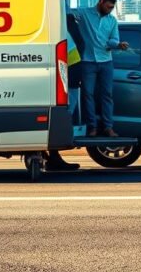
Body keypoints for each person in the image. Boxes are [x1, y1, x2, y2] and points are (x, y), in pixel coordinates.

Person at [75, 0, 129, 137]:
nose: (110, 10)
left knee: (107, 94)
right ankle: (92, 127)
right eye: (108, 7)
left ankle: (108, 127)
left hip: (106, 62)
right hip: (88, 61)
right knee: (88, 94)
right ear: (101, 1)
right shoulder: (84, 13)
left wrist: (118, 45)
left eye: (112, 8)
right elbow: (66, 11)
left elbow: (112, 40)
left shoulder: (112, 21)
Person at [45, 13, 85, 172]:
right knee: (64, 116)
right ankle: (53, 157)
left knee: (63, 117)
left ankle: (52, 157)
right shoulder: (62, 32)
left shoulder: (62, 32)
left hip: (71, 79)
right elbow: (79, 48)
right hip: (69, 82)